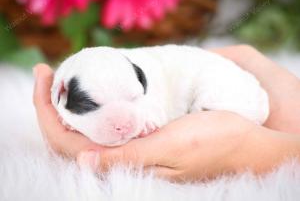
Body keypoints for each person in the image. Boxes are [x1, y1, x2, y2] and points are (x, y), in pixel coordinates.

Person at [33, 45, 300, 182]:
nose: (123, 124)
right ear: (60, 92)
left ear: (141, 82)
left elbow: (156, 106)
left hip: (226, 89)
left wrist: (254, 146)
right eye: (93, 106)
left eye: (134, 98)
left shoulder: (142, 71)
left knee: (213, 96)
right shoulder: (67, 80)